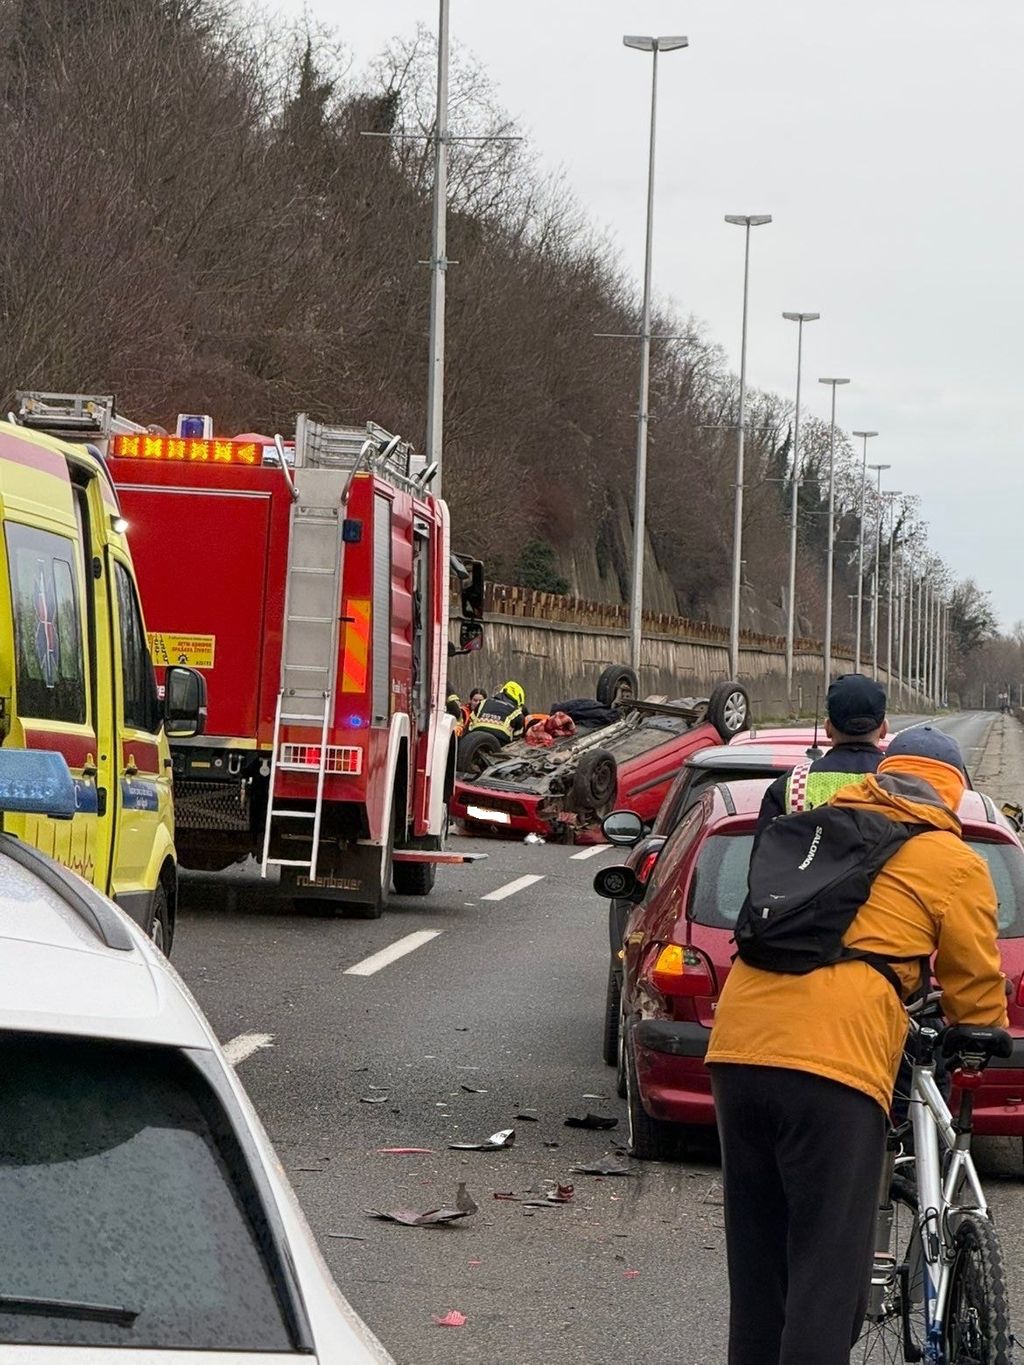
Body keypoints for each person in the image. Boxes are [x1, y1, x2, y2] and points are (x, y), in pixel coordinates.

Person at [707, 726, 1008, 1365]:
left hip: (737, 1047)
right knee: (826, 1269)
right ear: (953, 795)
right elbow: (975, 982)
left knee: (759, 1265)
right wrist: (979, 1033)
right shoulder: (951, 860)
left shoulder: (818, 825)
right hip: (832, 1061)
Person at [756, 673, 887, 832]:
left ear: (828, 728)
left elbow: (764, 853)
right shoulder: (905, 784)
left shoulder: (791, 787)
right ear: (884, 729)